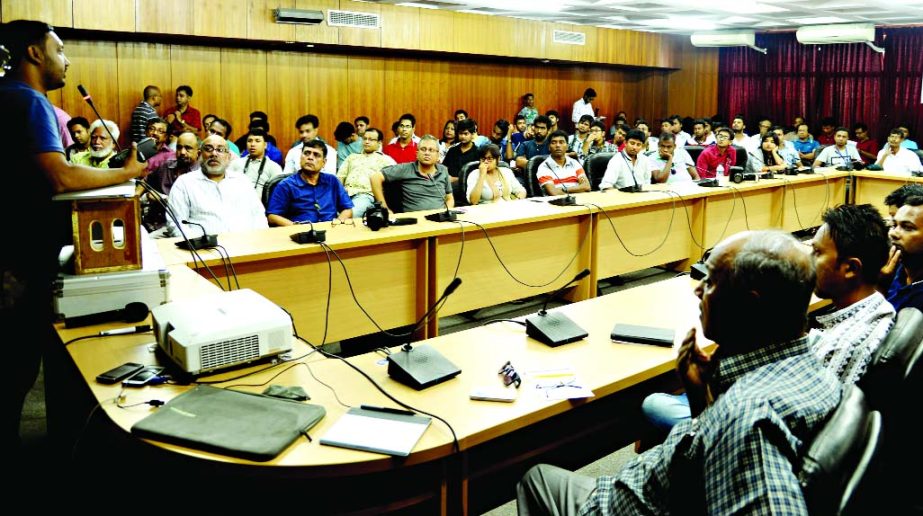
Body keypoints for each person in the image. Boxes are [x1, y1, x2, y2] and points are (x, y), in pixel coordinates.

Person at [518, 230, 841, 515]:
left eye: (711, 282)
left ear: (750, 305)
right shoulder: (815, 369)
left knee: (537, 479)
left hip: (627, 505)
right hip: (660, 488)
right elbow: (715, 445)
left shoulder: (749, 415)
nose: (698, 290)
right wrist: (702, 399)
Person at [0, 20, 147, 457]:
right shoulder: (29, 102)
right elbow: (60, 176)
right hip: (16, 261)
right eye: (60, 50)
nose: (67, 60)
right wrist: (123, 173)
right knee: (15, 370)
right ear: (34, 53)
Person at [166, 135, 268, 237]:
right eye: (208, 149)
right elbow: (176, 224)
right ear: (200, 155)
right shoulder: (184, 183)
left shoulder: (242, 181)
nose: (214, 154)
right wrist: (199, 245)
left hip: (245, 246)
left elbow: (259, 217)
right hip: (203, 249)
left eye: (220, 149)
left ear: (228, 157)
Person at [267, 140, 353, 225]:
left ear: (324, 163)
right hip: (300, 234)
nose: (310, 157)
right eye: (306, 153)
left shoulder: (332, 181)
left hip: (331, 231)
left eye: (316, 155)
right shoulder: (286, 185)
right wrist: (295, 227)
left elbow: (347, 209)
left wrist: (337, 224)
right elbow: (272, 216)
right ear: (300, 158)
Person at [370, 135, 453, 213]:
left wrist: (447, 212)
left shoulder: (443, 170)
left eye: (431, 150)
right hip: (415, 221)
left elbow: (449, 198)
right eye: (423, 149)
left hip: (439, 220)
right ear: (417, 154)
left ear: (438, 155)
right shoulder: (405, 169)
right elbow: (375, 178)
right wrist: (384, 208)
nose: (427, 153)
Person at [337, 127, 395, 218]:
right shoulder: (352, 157)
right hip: (344, 194)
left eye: (371, 139)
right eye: (364, 139)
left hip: (364, 196)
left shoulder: (386, 161)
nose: (366, 142)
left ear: (379, 143)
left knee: (348, 215)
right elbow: (340, 178)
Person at [882, 195, 923, 312]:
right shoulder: (891, 270)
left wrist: (879, 288)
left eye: (907, 227)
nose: (894, 233)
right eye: (894, 225)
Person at [227, 128, 283, 195]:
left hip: (262, 204)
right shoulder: (236, 163)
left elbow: (277, 193)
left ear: (265, 145)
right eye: (249, 141)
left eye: (257, 141)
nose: (252, 144)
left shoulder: (273, 167)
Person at [537, 130, 591, 196]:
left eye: (561, 142)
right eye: (554, 142)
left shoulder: (574, 163)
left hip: (580, 201)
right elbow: (554, 193)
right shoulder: (544, 167)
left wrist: (564, 189)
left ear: (567, 146)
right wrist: (578, 189)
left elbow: (586, 187)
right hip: (558, 203)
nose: (558, 145)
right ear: (549, 147)